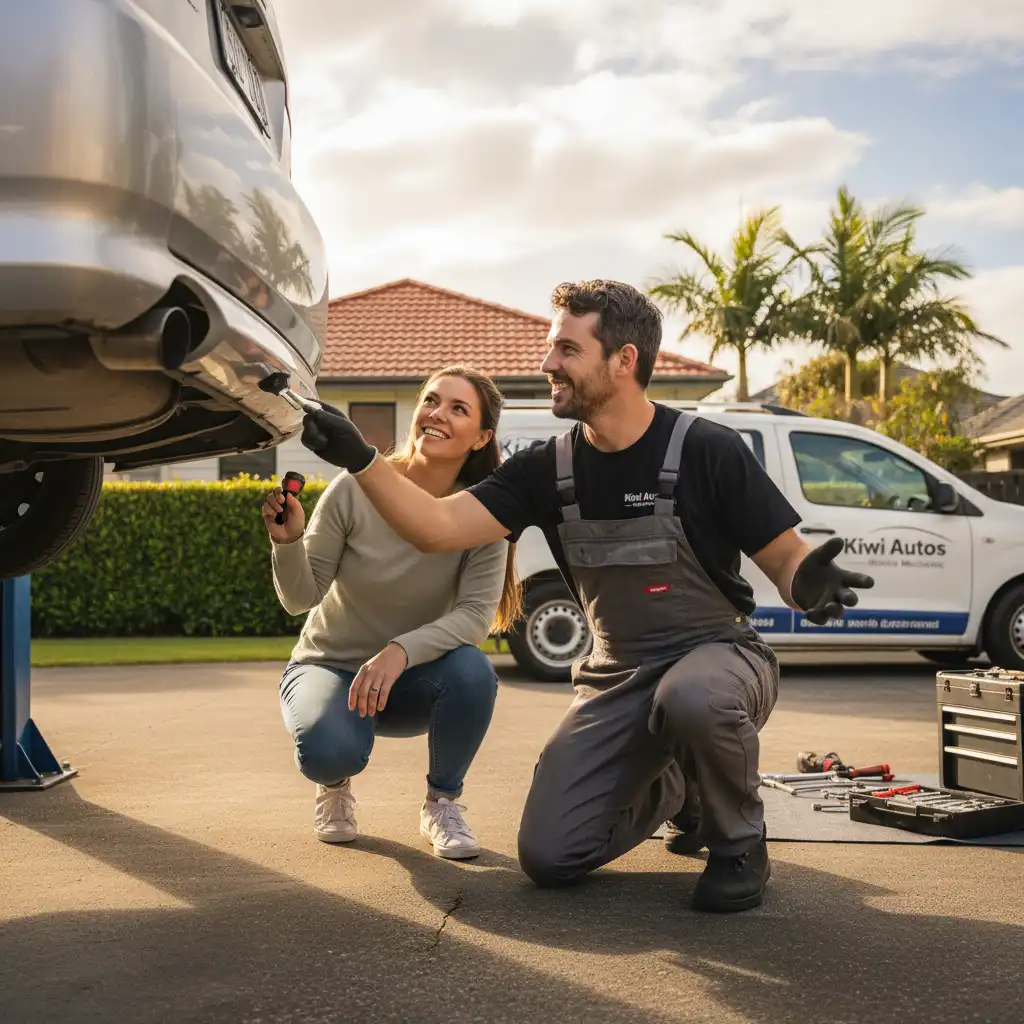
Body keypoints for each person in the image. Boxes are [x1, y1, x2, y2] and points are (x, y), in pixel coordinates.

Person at [296, 280, 874, 912]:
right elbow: (435, 527)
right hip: (616, 676)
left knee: (692, 698)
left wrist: (802, 580)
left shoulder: (708, 450)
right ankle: (679, 785)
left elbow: (786, 557)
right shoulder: (545, 469)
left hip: (717, 656)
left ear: (624, 360)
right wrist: (359, 458)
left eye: (567, 350)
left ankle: (739, 845)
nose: (548, 364)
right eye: (553, 348)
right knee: (550, 855)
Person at [262, 366, 521, 859]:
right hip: (331, 667)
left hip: (410, 682)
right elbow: (300, 598)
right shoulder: (352, 488)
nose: (437, 414)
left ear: (482, 436)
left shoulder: (483, 513)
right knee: (327, 752)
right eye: (431, 400)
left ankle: (442, 804)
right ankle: (334, 786)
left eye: (458, 409)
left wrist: (399, 651)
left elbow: (474, 618)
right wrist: (288, 542)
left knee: (472, 670)